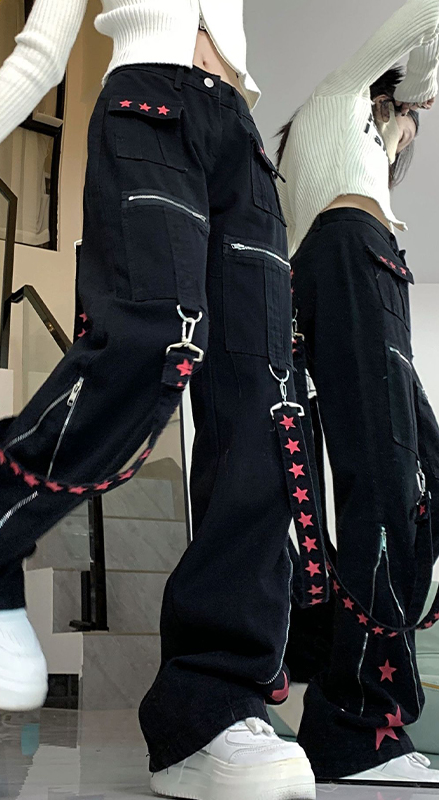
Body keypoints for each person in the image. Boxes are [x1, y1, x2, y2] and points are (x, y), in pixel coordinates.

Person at [0, 3, 317, 798]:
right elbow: (40, 51)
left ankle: (213, 711)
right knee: (155, 339)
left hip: (243, 141)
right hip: (148, 107)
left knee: (265, 404)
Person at [278, 0, 439, 785]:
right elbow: (423, 19)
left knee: (410, 483)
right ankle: (356, 728)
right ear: (387, 104)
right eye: (407, 121)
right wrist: (417, 89)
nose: (412, 134)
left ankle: (352, 699)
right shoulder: (339, 98)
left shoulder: (354, 173)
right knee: (383, 488)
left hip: (361, 271)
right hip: (352, 262)